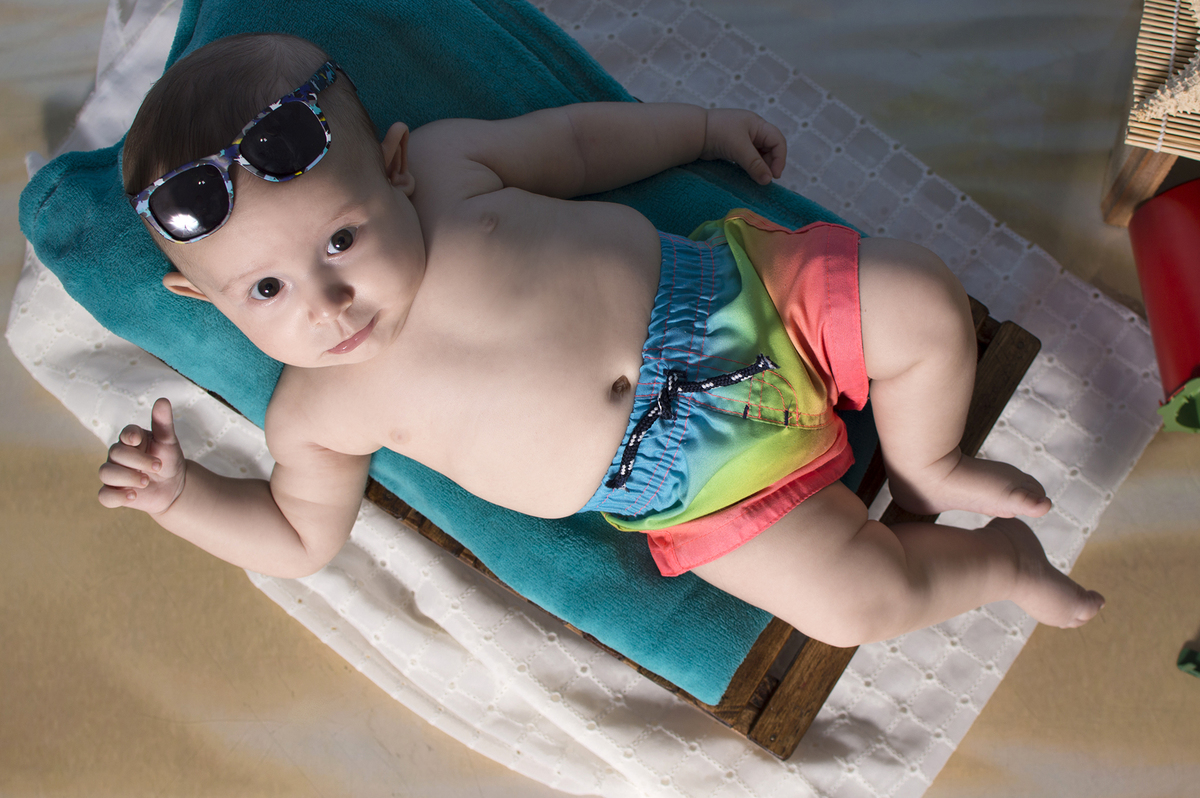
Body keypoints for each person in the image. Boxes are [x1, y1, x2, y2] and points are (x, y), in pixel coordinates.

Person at [100, 33, 1103, 648]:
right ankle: (998, 567)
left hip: (739, 301)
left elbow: (579, 143)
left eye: (344, 238)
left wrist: (703, 126)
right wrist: (183, 499)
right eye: (266, 289)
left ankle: (930, 465)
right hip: (695, 484)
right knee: (851, 602)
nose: (327, 298)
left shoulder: (450, 171)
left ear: (395, 166)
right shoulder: (318, 412)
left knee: (919, 294)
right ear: (202, 297)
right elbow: (297, 538)